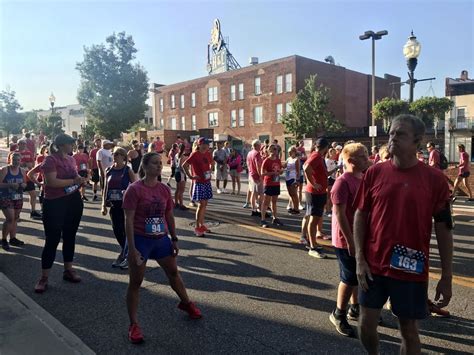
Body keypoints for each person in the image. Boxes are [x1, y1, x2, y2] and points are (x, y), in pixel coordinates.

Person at [354, 114, 453, 354]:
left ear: (417, 141)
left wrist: (447, 276)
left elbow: (443, 228)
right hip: (374, 265)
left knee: (408, 329)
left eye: (400, 134)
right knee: (366, 323)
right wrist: (359, 258)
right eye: (391, 133)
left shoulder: (435, 180)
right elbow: (360, 215)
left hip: (411, 267)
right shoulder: (374, 173)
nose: (392, 138)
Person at [123, 152, 201, 343]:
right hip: (141, 240)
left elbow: (169, 215)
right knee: (136, 282)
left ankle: (186, 303)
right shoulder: (134, 189)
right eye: (155, 163)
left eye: (160, 163)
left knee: (173, 273)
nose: (159, 166)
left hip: (161, 239)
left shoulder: (164, 190)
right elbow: (129, 220)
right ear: (145, 166)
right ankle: (134, 325)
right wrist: (131, 249)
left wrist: (174, 238)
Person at [34, 134, 87, 293]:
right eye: (71, 144)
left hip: (73, 201)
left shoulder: (71, 159)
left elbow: (74, 175)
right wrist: (74, 181)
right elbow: (51, 181)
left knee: (70, 236)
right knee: (52, 239)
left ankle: (68, 270)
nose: (73, 146)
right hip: (55, 203)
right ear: (62, 145)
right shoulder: (50, 160)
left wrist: (80, 178)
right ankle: (44, 278)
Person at [329, 143, 369, 337]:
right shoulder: (342, 182)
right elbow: (340, 215)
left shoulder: (363, 178)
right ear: (351, 161)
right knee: (349, 277)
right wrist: (351, 242)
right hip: (345, 239)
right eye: (363, 156)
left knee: (356, 275)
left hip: (359, 236)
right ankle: (338, 313)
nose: (367, 158)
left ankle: (355, 307)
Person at [101, 147, 136, 269]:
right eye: (114, 154)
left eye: (117, 154)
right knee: (116, 229)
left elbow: (135, 187)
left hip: (125, 204)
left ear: (123, 157)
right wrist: (103, 204)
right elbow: (105, 187)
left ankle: (126, 255)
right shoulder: (109, 170)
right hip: (113, 204)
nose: (114, 156)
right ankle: (125, 252)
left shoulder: (127, 170)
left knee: (126, 229)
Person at [303, 138, 330, 259]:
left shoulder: (317, 156)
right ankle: (312, 247)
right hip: (315, 192)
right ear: (326, 148)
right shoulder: (317, 156)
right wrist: (313, 183)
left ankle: (313, 243)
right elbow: (306, 168)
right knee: (313, 220)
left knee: (315, 218)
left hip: (318, 192)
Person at [182, 138, 214, 237]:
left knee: (205, 204)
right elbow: (184, 165)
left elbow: (212, 163)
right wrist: (191, 176)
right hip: (199, 182)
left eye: (207, 144)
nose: (205, 146)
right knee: (201, 204)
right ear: (199, 145)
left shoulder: (208, 153)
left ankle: (201, 224)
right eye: (203, 144)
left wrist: (210, 171)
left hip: (206, 181)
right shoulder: (195, 154)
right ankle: (197, 227)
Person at [0, 152, 27, 250]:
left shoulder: (22, 171)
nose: (16, 162)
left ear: (20, 161)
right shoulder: (4, 170)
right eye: (14, 160)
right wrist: (10, 185)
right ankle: (3, 239)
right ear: (10, 160)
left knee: (15, 218)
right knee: (10, 218)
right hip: (5, 197)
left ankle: (13, 238)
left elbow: (24, 183)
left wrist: (23, 185)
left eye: (18, 160)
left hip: (18, 197)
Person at [16, 140, 42, 220]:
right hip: (18, 178)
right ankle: (17, 214)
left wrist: (27, 164)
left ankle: (33, 211)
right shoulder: (14, 153)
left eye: (24, 144)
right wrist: (23, 164)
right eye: (22, 144)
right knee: (18, 197)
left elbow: (33, 165)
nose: (24, 145)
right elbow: (11, 165)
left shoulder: (29, 153)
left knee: (33, 195)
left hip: (28, 178)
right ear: (18, 144)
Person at [260, 144, 283, 228]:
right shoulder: (266, 160)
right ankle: (263, 220)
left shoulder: (278, 160)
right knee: (266, 202)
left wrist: (281, 171)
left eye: (277, 149)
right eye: (274, 149)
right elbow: (262, 173)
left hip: (276, 183)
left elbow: (280, 170)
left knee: (274, 202)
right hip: (268, 183)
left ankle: (275, 218)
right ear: (270, 150)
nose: (276, 151)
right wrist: (272, 173)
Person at [247, 140, 264, 217]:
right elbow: (258, 165)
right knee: (261, 194)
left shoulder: (249, 153)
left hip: (251, 175)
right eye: (260, 145)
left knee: (253, 193)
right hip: (257, 175)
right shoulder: (257, 154)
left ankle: (253, 209)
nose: (260, 147)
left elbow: (247, 164)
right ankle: (260, 210)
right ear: (257, 145)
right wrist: (261, 176)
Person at [284, 146, 300, 214]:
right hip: (287, 177)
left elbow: (298, 171)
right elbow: (284, 166)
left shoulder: (296, 160)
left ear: (294, 152)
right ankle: (293, 207)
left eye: (290, 152)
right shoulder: (288, 159)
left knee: (294, 194)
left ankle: (296, 209)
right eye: (288, 152)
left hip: (293, 178)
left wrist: (297, 180)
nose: (289, 153)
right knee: (290, 194)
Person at [173, 144, 188, 210]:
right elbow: (181, 166)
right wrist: (186, 173)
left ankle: (176, 203)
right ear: (184, 149)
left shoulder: (176, 155)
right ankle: (181, 204)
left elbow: (174, 164)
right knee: (181, 190)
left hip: (176, 172)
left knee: (177, 189)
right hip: (181, 173)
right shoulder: (182, 156)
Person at [325, 148, 338, 217]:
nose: (335, 154)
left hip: (334, 178)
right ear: (330, 153)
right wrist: (335, 169)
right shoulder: (327, 161)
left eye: (335, 153)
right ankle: (328, 210)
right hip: (329, 179)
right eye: (333, 153)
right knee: (329, 196)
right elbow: (327, 172)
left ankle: (331, 209)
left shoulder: (334, 161)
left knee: (333, 195)